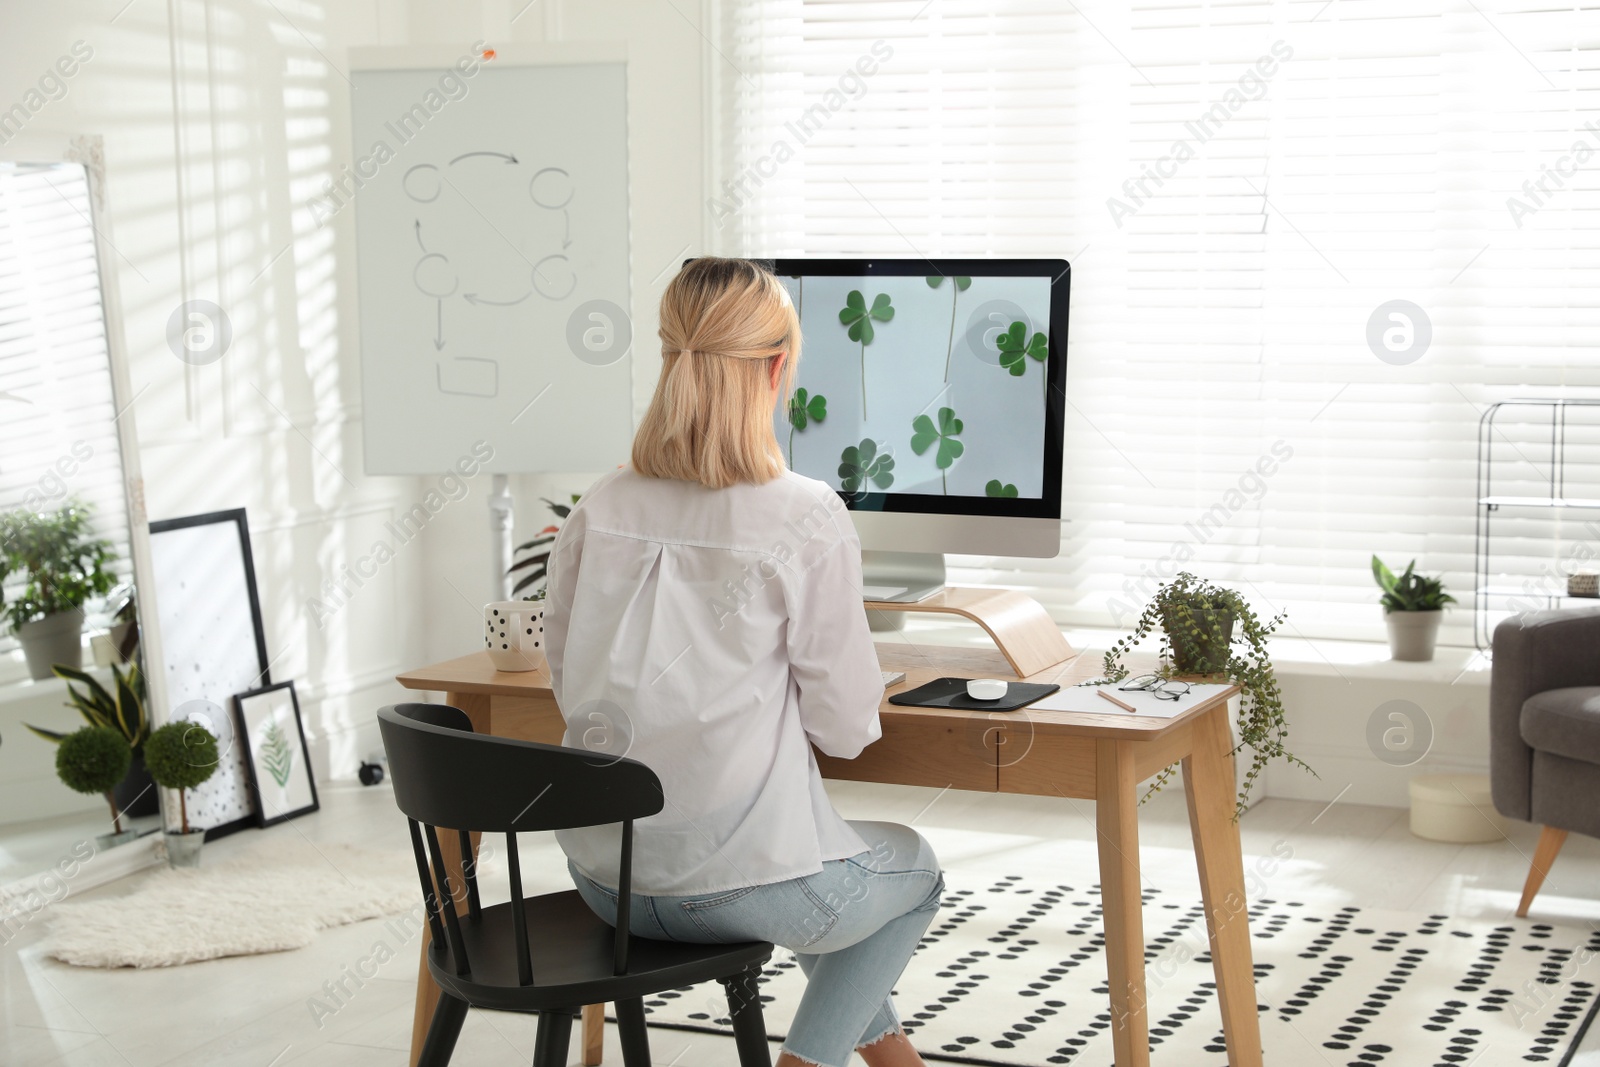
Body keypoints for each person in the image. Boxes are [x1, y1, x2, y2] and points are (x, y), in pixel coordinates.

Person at [544, 256, 943, 1067]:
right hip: (736, 893)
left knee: (810, 853)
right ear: (776, 368)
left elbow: (565, 672)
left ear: (669, 362)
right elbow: (845, 731)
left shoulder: (601, 505)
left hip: (606, 882)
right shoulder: (804, 513)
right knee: (908, 872)